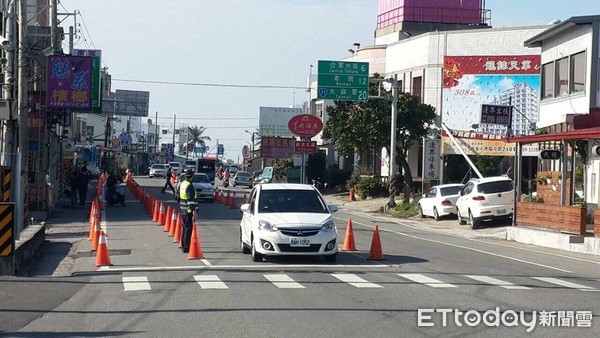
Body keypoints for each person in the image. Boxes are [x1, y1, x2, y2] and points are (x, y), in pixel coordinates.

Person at [178, 169, 198, 253]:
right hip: (188, 211)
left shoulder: (182, 184)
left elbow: (178, 196)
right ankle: (186, 247)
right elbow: (190, 200)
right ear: (192, 177)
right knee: (188, 230)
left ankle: (183, 246)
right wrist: (193, 211)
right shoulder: (190, 186)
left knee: (184, 229)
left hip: (182, 209)